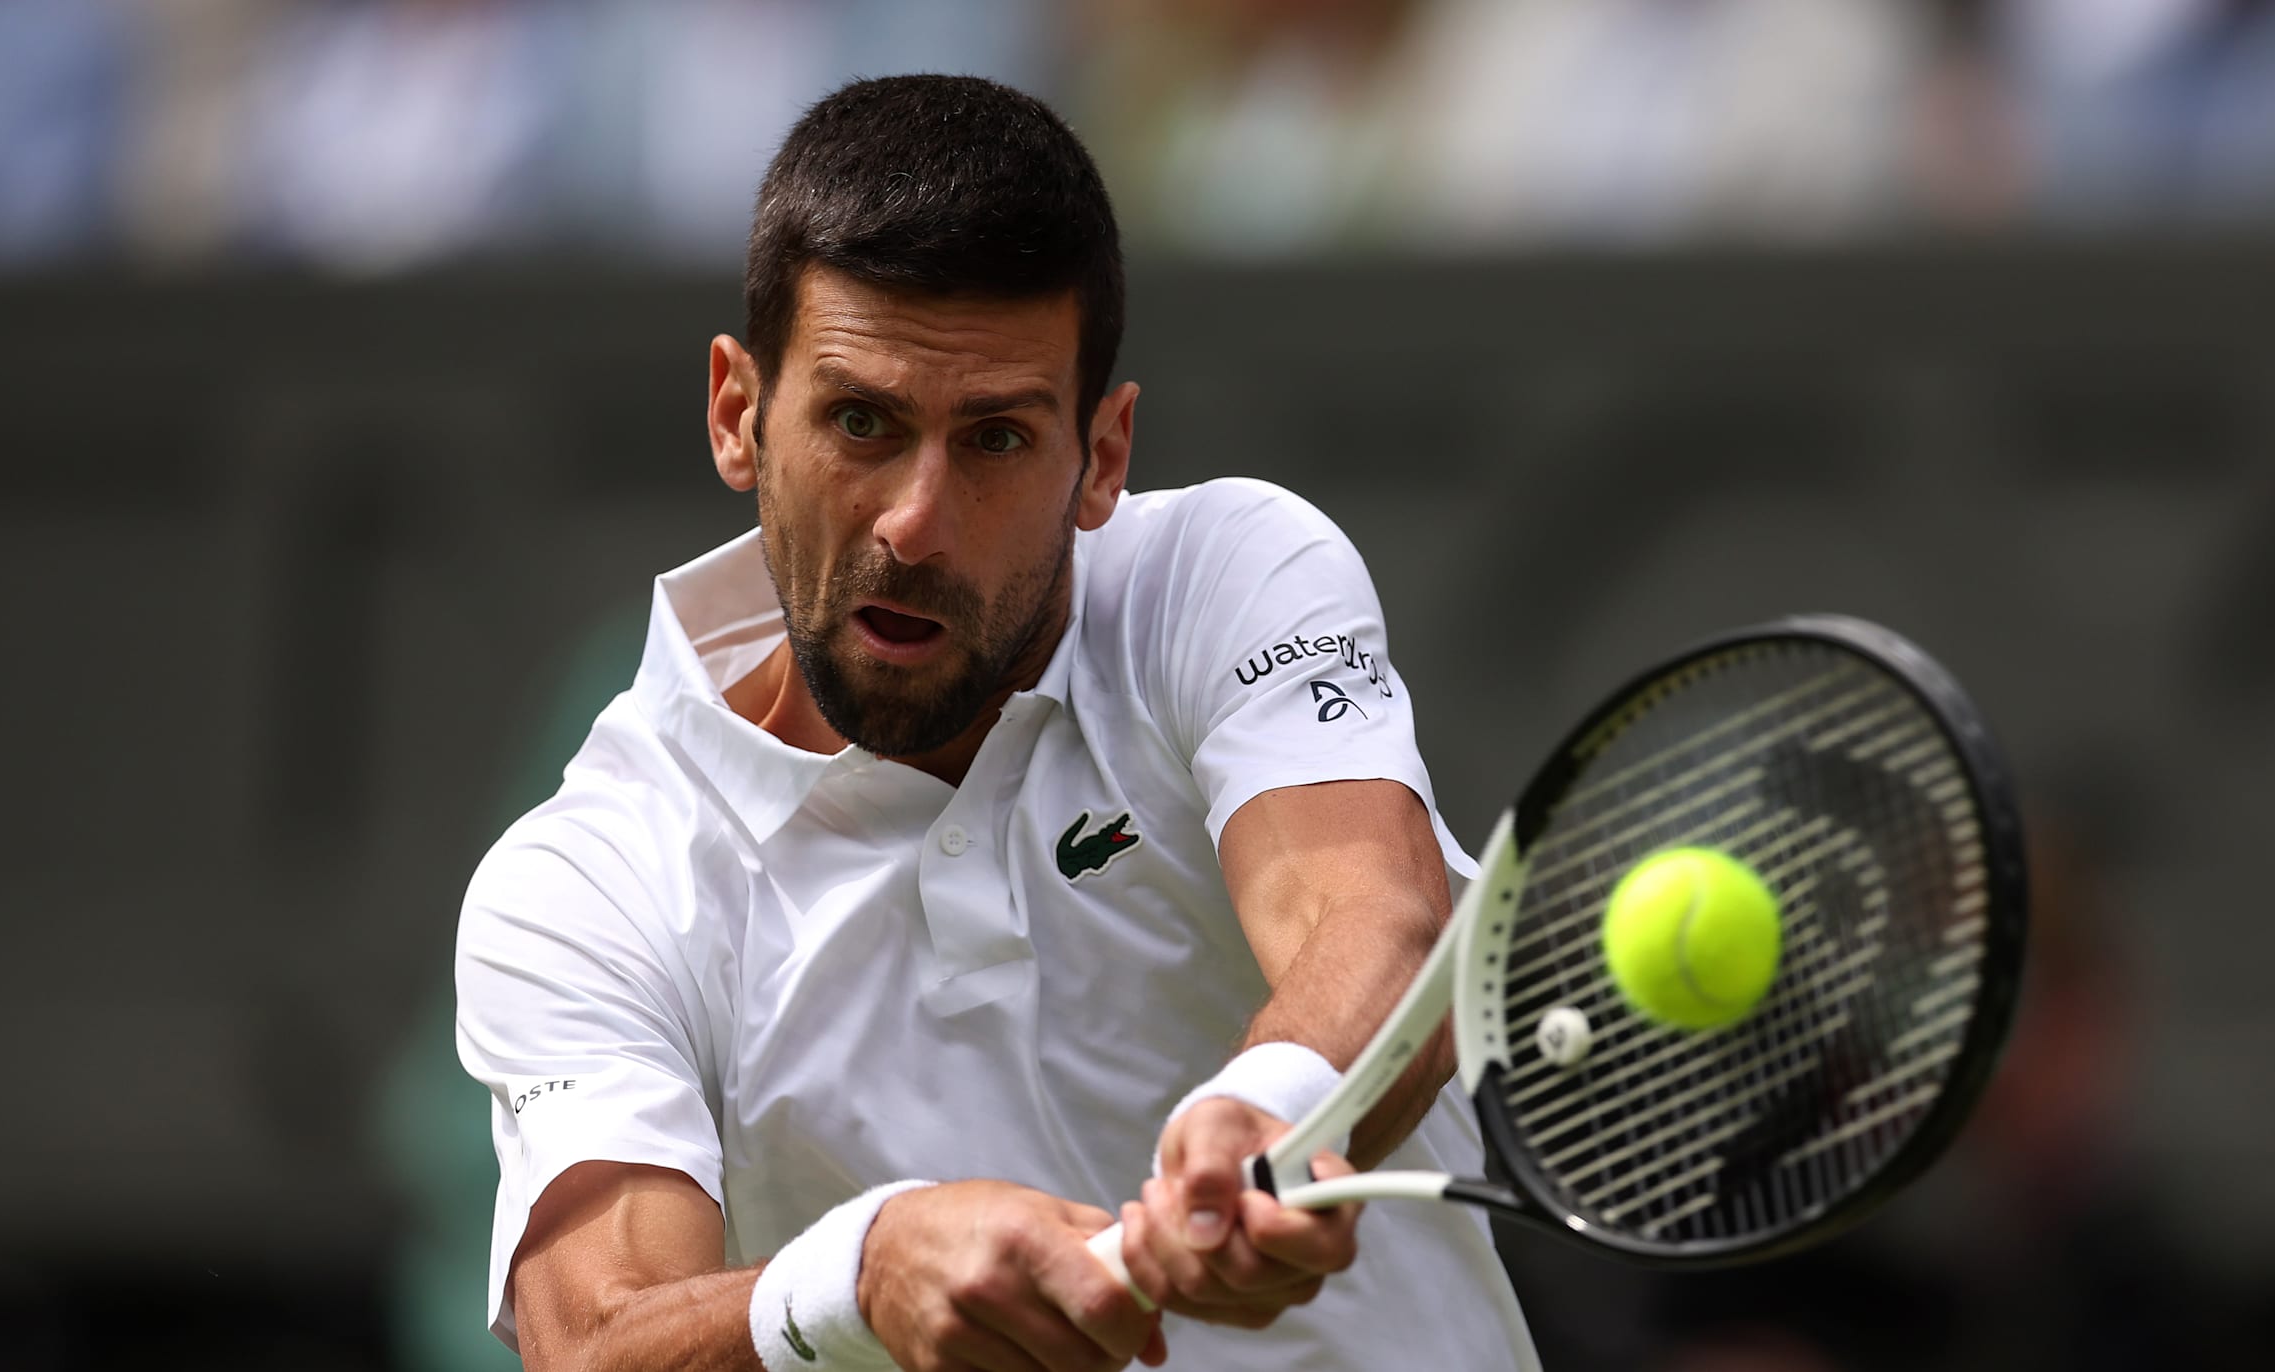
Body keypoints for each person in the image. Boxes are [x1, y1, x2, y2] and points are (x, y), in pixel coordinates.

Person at [454, 73, 1539, 1372]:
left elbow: (1376, 919)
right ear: (739, 415)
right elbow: (592, 1342)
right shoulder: (591, 883)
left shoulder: (1228, 575)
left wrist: (1272, 1111)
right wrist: (855, 1277)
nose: (916, 522)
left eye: (997, 439)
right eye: (861, 421)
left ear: (1105, 452)